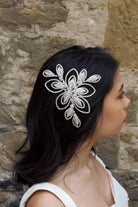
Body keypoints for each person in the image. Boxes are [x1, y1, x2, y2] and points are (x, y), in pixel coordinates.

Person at [14, 46, 130, 207]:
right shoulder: (49, 203)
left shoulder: (93, 161)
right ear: (88, 109)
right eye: (120, 96)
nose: (127, 102)